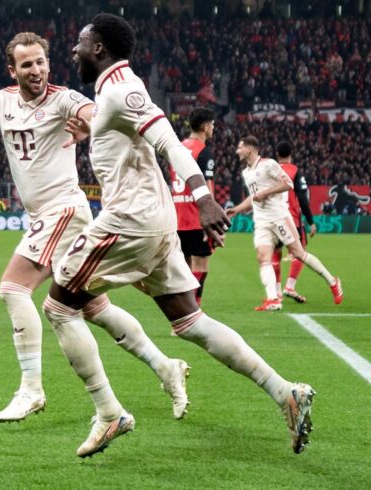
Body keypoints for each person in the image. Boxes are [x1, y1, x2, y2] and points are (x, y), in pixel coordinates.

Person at [42, 13, 316, 457]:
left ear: (99, 48)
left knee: (58, 306)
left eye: (80, 42)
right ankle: (286, 392)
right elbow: (130, 138)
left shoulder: (122, 88)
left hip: (129, 221)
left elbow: (169, 143)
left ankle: (109, 413)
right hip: (156, 221)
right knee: (191, 323)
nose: (73, 50)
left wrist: (204, 198)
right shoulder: (112, 92)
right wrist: (94, 130)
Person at [0, 31, 190, 425]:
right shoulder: (1, 102)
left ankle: (31, 389)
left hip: (63, 210)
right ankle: (166, 367)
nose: (36, 70)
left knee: (12, 289)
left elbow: (97, 115)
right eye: (26, 64)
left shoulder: (64, 99)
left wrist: (91, 127)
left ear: (49, 64)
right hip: (45, 216)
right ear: (13, 70)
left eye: (41, 62)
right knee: (95, 308)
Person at [227, 136, 343, 311]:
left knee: (299, 253)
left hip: (279, 217)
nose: (237, 151)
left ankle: (333, 281)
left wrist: (266, 192)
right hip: (262, 221)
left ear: (249, 149)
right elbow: (254, 196)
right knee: (263, 258)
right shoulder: (246, 172)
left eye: (240, 147)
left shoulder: (269, 164)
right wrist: (236, 209)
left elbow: (288, 184)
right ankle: (273, 299)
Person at [169, 107, 216, 305]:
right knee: (200, 266)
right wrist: (212, 219)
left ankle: (184, 312)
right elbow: (207, 188)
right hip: (197, 218)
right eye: (212, 124)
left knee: (185, 267)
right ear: (205, 126)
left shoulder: (177, 148)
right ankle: (194, 311)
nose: (213, 128)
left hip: (178, 217)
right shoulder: (203, 152)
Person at [271, 141, 317, 303]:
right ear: (291, 154)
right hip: (292, 220)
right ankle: (290, 286)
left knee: (275, 255)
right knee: (300, 252)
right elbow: (303, 198)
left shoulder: (270, 171)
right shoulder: (295, 172)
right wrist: (311, 221)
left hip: (274, 219)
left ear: (277, 154)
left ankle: (277, 293)